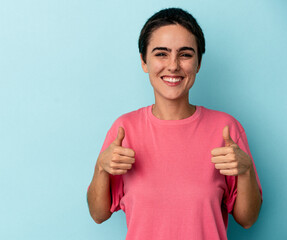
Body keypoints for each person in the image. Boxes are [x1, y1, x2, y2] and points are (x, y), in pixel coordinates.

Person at [87, 8, 262, 240]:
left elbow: (247, 220)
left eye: (185, 54)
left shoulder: (226, 129)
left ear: (198, 63)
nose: (173, 66)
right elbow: (98, 214)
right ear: (144, 61)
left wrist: (246, 170)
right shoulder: (124, 129)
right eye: (161, 53)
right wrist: (101, 168)